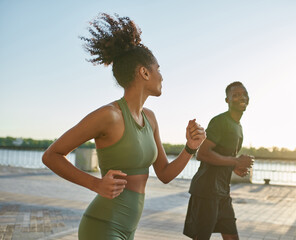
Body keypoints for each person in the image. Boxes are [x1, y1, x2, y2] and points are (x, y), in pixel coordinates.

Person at [42, 13, 206, 240]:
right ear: (144, 72)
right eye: (158, 68)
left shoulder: (150, 118)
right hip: (102, 226)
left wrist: (190, 148)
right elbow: (52, 155)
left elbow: (164, 174)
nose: (162, 76)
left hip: (128, 229)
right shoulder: (109, 115)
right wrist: (95, 184)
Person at [183, 81, 254, 240]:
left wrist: (235, 167)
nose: (241, 97)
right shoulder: (220, 121)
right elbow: (202, 153)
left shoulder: (238, 126)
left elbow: (221, 156)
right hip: (206, 191)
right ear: (227, 100)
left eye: (244, 94)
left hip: (222, 192)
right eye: (235, 95)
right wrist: (235, 161)